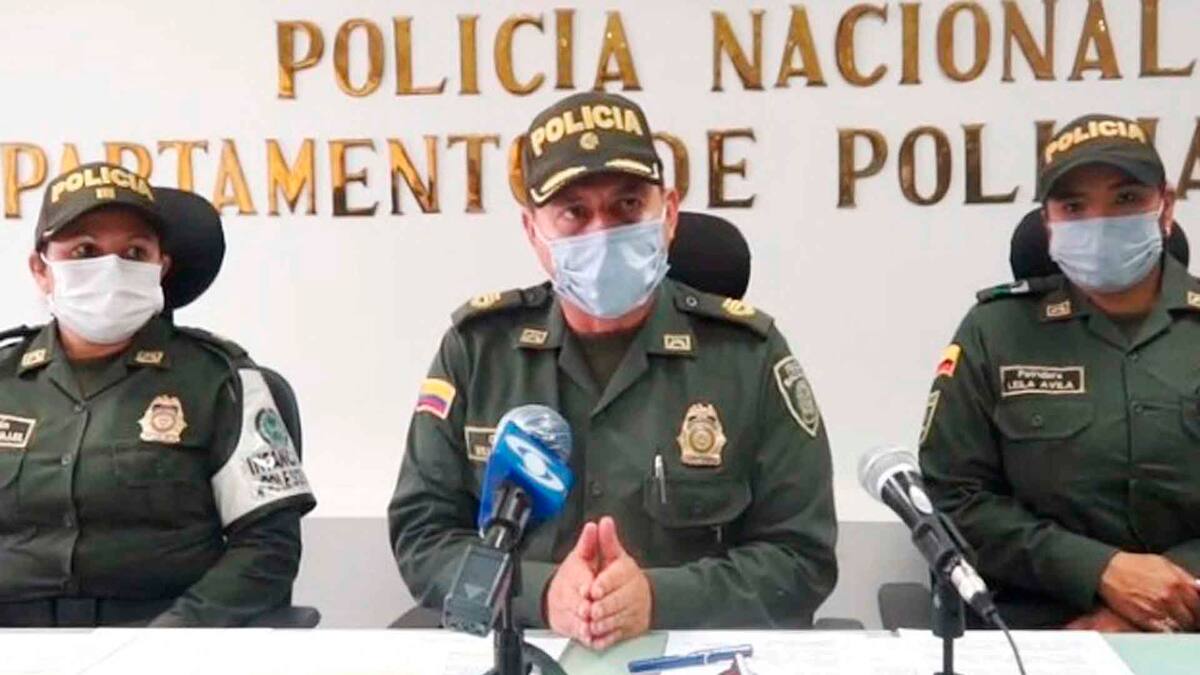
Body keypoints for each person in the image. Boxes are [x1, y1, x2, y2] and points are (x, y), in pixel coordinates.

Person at [389, 92, 837, 648]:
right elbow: (423, 537)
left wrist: (659, 598)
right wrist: (538, 592)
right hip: (522, 653)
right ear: (533, 232)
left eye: (627, 205)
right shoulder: (478, 352)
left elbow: (802, 557)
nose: (601, 232)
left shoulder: (748, 357)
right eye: (574, 213)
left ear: (668, 214)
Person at [0, 162, 316, 627]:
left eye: (134, 252)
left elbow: (268, 548)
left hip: (165, 636)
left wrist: (172, 638)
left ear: (160, 268)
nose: (111, 268)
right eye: (84, 251)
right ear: (40, 270)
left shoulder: (222, 380)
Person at [920, 114, 1200, 632]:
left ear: (1165, 207)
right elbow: (954, 496)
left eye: (1126, 199)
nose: (1100, 222)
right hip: (1031, 629)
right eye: (1074, 207)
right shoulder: (995, 331)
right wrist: (1099, 571)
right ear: (1048, 223)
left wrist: (1163, 597)